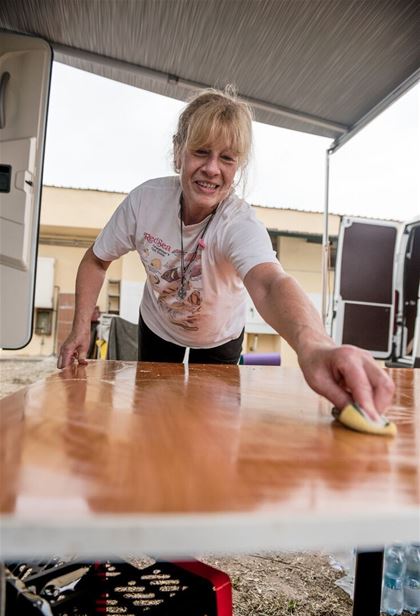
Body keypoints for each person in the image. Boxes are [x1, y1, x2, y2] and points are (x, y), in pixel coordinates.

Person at [57, 87, 394, 421]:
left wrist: (315, 345)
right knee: (153, 418)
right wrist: (80, 326)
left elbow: (270, 282)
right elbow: (97, 260)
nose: (212, 169)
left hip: (220, 338)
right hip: (158, 328)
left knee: (212, 428)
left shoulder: (239, 223)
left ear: (238, 167)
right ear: (178, 153)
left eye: (227, 158)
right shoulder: (144, 202)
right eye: (201, 152)